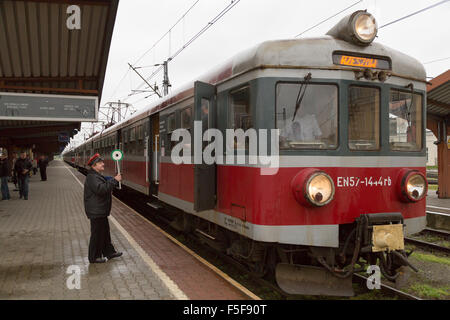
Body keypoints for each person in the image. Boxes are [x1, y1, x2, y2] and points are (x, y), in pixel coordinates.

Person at [84, 153, 123, 263]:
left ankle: (109, 252)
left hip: (100, 210)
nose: (103, 164)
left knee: (105, 232)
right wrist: (114, 180)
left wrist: (111, 180)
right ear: (94, 165)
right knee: (96, 234)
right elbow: (101, 189)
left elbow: (103, 183)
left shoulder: (95, 175)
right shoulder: (92, 177)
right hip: (96, 211)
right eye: (101, 163)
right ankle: (94, 257)